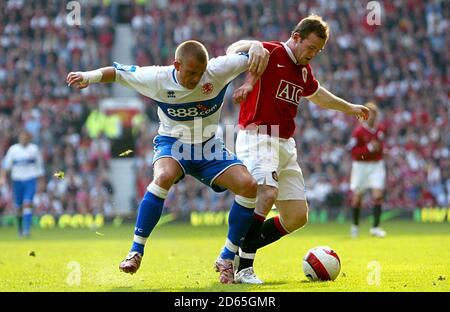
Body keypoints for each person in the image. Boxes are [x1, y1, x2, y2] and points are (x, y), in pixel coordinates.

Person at [66, 40, 269, 284]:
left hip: (208, 146)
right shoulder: (157, 78)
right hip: (173, 143)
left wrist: (256, 48)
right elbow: (118, 73)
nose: (196, 79)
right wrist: (88, 76)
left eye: (200, 73)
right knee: (163, 177)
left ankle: (227, 257)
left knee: (248, 185)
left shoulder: (217, 70)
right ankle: (136, 251)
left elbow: (259, 56)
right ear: (177, 65)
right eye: (190, 73)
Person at [225, 14, 370, 284]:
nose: (313, 54)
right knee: (267, 192)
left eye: (318, 50)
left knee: (296, 216)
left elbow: (319, 95)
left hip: (284, 143)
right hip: (258, 135)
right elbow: (231, 50)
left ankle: (233, 252)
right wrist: (252, 44)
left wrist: (349, 107)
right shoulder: (270, 51)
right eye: (311, 47)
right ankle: (244, 266)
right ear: (296, 37)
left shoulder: (303, 71)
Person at [348, 101, 387, 238]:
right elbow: (353, 152)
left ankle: (375, 228)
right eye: (369, 115)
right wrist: (369, 149)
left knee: (378, 195)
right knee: (357, 198)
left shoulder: (381, 129)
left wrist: (382, 150)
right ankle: (355, 226)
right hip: (361, 166)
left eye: (374, 115)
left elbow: (381, 147)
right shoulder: (358, 132)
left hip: (376, 165)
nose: (372, 117)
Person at [0, 130, 44, 238]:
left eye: (25, 137)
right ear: (19, 138)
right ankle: (20, 228)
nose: (23, 139)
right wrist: (2, 177)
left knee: (27, 203)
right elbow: (6, 165)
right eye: (22, 137)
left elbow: (39, 166)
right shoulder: (13, 150)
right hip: (17, 181)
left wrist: (42, 181)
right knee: (18, 207)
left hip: (30, 180)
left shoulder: (34, 149)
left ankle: (27, 230)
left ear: (29, 138)